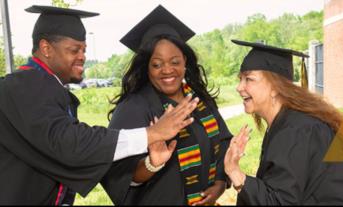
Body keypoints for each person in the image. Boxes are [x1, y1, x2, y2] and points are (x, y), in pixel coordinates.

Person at [0, 5, 199, 205]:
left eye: (84, 49)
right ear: (46, 48)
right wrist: (152, 133)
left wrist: (150, 163)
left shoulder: (49, 89)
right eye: (74, 50)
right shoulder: (21, 87)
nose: (83, 57)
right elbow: (71, 143)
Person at [101, 5, 233, 206]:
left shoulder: (199, 100)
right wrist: (152, 163)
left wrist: (221, 183)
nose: (167, 70)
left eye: (174, 61)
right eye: (157, 64)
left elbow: (223, 141)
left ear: (185, 62)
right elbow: (116, 173)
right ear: (146, 66)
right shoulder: (133, 107)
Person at [224, 39, 343, 205]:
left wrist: (235, 173)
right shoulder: (290, 122)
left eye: (249, 79)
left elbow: (280, 202)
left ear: (275, 87)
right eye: (240, 79)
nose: (239, 87)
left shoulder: (296, 130)